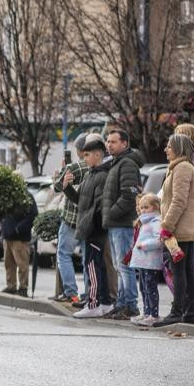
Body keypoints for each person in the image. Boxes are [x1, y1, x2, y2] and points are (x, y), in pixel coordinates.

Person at [66, 136, 114, 319]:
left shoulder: (102, 175)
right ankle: (105, 303)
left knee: (92, 267)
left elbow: (100, 206)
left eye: (87, 155)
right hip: (89, 228)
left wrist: (90, 223)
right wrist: (67, 188)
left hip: (95, 230)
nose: (84, 158)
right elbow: (80, 201)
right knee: (97, 266)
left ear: (97, 155)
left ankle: (93, 303)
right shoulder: (90, 174)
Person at [153, 134, 194, 327]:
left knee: (179, 270)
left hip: (180, 229)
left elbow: (179, 200)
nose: (166, 149)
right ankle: (191, 311)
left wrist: (166, 227)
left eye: (169, 146)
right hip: (182, 227)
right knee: (186, 270)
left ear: (179, 148)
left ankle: (177, 311)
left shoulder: (183, 168)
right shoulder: (179, 167)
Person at [101, 129, 143, 320]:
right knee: (120, 265)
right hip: (116, 223)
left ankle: (130, 306)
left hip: (123, 223)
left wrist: (111, 213)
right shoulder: (116, 163)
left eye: (113, 142)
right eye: (108, 141)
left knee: (124, 265)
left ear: (125, 144)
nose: (109, 145)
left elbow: (129, 195)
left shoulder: (126, 164)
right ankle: (122, 303)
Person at [51, 135, 88, 304]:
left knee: (64, 254)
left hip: (71, 218)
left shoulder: (75, 167)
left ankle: (71, 291)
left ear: (80, 150)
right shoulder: (101, 167)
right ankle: (89, 293)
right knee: (87, 258)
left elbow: (58, 186)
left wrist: (59, 174)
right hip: (89, 219)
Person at [130, 194, 163, 326]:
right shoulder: (145, 222)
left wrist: (144, 245)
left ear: (155, 207)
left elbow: (159, 240)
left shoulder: (156, 221)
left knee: (150, 287)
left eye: (146, 207)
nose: (143, 210)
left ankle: (154, 315)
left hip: (151, 262)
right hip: (143, 262)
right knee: (143, 288)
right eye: (141, 207)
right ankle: (146, 312)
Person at [0, 192, 37, 297]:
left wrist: (19, 228)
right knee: (8, 264)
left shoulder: (27, 196)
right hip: (7, 236)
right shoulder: (8, 195)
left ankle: (23, 288)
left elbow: (33, 215)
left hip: (20, 237)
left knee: (22, 264)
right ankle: (11, 286)